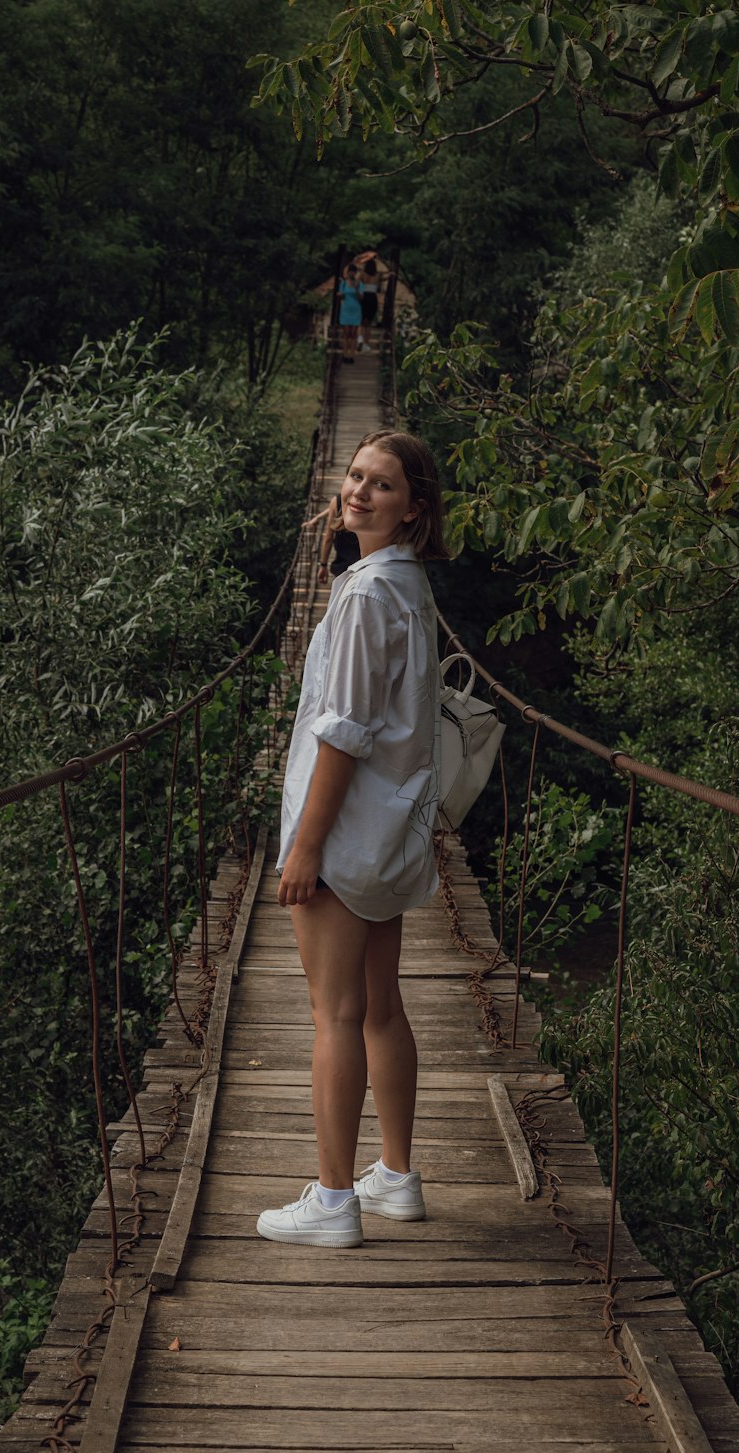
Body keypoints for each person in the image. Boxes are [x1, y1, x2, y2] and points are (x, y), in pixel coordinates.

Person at [258, 431, 451, 1248]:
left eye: (382, 484)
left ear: (414, 508)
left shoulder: (367, 594)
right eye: (356, 475)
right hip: (386, 832)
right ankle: (395, 1178)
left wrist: (303, 847)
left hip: (343, 836)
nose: (360, 491)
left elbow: (342, 734)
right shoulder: (403, 583)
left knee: (333, 1013)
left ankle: (334, 1201)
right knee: (377, 1005)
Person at [336, 262, 363, 362]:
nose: (351, 274)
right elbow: (340, 294)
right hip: (346, 309)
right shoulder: (343, 283)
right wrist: (340, 294)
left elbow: (361, 297)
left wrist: (356, 288)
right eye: (350, 272)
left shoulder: (359, 284)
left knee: (353, 333)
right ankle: (345, 353)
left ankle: (352, 354)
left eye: (353, 272)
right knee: (346, 332)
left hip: (355, 309)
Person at [357, 254, 381, 352]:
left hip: (364, 297)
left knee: (361, 322)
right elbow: (385, 277)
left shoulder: (363, 275)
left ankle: (360, 339)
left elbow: (357, 281)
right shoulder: (377, 276)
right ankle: (366, 344)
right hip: (373, 298)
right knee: (369, 324)